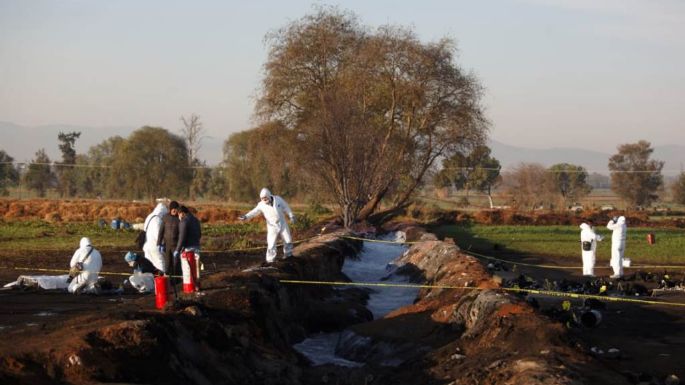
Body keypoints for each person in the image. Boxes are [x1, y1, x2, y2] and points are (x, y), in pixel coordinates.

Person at [239, 187, 295, 263]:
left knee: (288, 239)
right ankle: (270, 260)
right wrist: (246, 216)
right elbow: (254, 212)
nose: (264, 199)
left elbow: (286, 207)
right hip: (272, 226)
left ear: (269, 195)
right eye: (262, 198)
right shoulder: (261, 205)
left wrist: (291, 215)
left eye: (265, 197)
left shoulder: (278, 199)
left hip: (282, 223)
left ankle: (288, 255)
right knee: (271, 244)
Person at [174, 205, 202, 272]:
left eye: (178, 214)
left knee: (187, 270)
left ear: (182, 213)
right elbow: (199, 234)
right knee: (196, 269)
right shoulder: (196, 220)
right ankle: (197, 282)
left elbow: (182, 237)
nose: (178, 216)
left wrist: (177, 250)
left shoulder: (184, 222)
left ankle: (189, 282)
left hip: (188, 249)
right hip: (196, 247)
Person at [143, 202, 167, 273]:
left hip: (147, 246)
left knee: (149, 267)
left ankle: (150, 283)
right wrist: (163, 243)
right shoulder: (158, 220)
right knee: (161, 266)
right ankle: (160, 283)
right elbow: (158, 235)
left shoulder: (149, 216)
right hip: (155, 247)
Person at [157, 200, 180, 275]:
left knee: (176, 263)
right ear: (170, 209)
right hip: (167, 245)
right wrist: (159, 243)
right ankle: (167, 279)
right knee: (167, 263)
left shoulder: (179, 219)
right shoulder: (165, 218)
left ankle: (176, 280)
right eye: (173, 208)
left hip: (176, 246)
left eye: (176, 209)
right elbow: (161, 231)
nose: (174, 210)